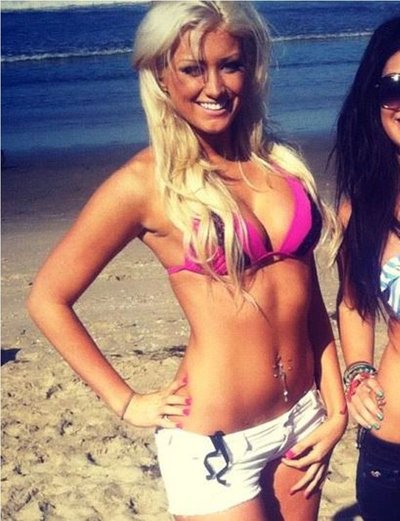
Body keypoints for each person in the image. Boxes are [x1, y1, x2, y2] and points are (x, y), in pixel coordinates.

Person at [27, 2, 347, 520]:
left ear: (250, 68)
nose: (214, 87)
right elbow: (48, 298)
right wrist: (126, 401)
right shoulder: (143, 184)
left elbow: (306, 297)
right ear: (161, 75)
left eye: (230, 65)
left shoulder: (278, 162)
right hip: (216, 443)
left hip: (304, 419)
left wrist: (336, 406)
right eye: (193, 69)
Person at [333, 16, 400, 521]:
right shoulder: (362, 208)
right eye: (394, 87)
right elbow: (354, 301)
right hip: (393, 448)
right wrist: (357, 371)